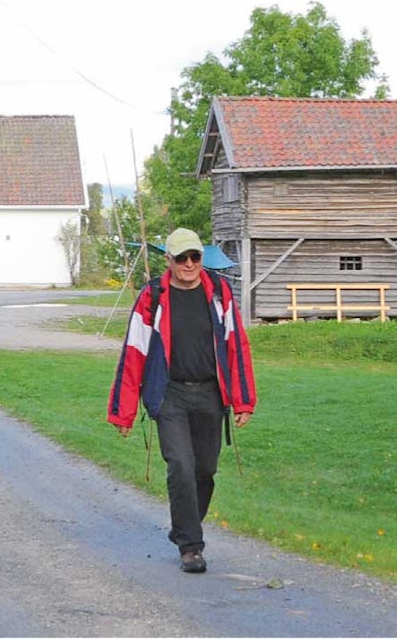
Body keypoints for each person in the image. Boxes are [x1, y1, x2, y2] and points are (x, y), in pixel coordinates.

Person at [107, 227, 256, 573]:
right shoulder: (153, 296)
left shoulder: (219, 292)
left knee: (205, 470)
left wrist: (243, 399)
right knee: (181, 467)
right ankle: (191, 546)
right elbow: (133, 352)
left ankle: (183, 526)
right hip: (169, 393)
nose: (190, 264)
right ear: (168, 260)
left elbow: (237, 346)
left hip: (209, 394)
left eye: (195, 257)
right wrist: (123, 412)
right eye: (182, 258)